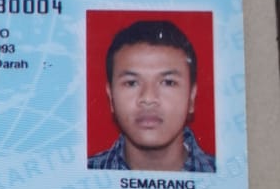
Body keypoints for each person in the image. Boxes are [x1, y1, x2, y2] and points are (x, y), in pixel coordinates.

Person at [88, 19, 216, 172]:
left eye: (168, 82)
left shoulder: (228, 178)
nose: (148, 98)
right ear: (111, 97)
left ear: (191, 97)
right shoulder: (78, 176)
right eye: (131, 83)